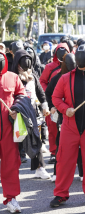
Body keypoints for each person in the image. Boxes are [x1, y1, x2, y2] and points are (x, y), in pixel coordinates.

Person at [50, 41, 85, 207]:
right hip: (70, 127)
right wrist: (65, 109)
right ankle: (60, 194)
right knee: (64, 161)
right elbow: (56, 98)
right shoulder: (65, 78)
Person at [11, 49, 51, 179]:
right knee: (13, 144)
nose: (25, 70)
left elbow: (40, 93)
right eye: (23, 67)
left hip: (33, 113)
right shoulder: (12, 77)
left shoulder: (33, 76)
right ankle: (10, 171)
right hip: (15, 115)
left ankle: (39, 167)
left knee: (35, 140)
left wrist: (44, 105)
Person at [0, 51, 27, 213]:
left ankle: (11, 198)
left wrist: (16, 109)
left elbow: (22, 96)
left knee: (10, 164)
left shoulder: (12, 77)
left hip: (9, 129)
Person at [45, 53, 78, 183]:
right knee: (61, 145)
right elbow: (48, 94)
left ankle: (81, 172)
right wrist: (52, 106)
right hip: (62, 116)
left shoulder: (79, 76)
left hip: (78, 115)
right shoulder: (58, 77)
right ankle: (56, 172)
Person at [40, 43, 70, 164]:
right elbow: (42, 81)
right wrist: (51, 93)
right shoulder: (49, 67)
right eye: (60, 51)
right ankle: (53, 152)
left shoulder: (72, 64)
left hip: (67, 103)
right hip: (53, 103)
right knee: (52, 128)